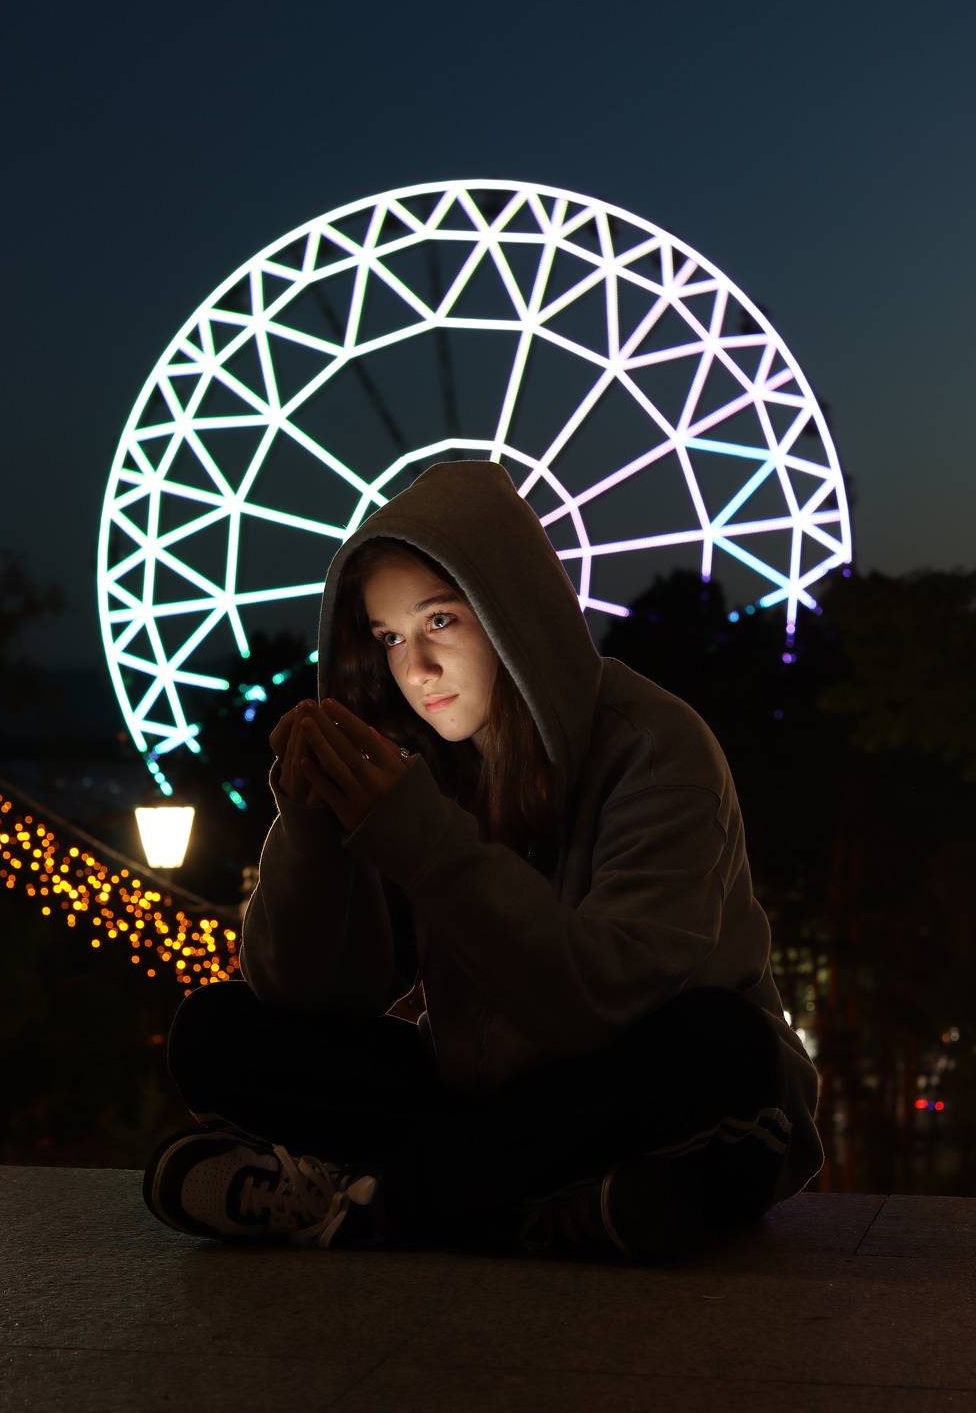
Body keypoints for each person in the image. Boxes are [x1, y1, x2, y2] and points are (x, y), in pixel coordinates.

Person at [142, 459, 824, 1261]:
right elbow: (315, 997)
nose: (415, 668)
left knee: (722, 1048)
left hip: (636, 1079)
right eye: (389, 638)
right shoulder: (423, 767)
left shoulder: (658, 749)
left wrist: (424, 840)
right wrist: (311, 831)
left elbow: (605, 1001)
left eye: (440, 620)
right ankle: (529, 1203)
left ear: (514, 612)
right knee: (217, 1030)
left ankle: (381, 1200)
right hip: (489, 1101)